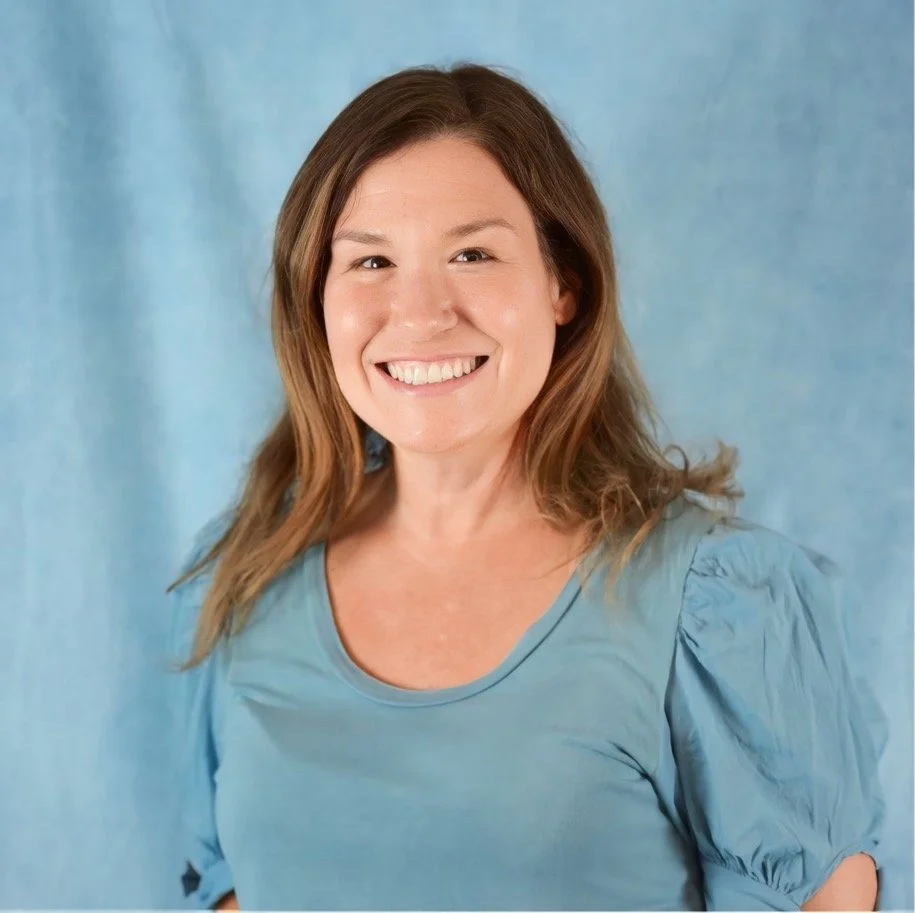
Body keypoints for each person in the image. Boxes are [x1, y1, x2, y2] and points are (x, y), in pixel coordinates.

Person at [166, 63, 887, 911]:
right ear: (315, 299)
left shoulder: (718, 608)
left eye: (471, 253)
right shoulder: (243, 575)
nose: (420, 310)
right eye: (370, 262)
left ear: (562, 283)